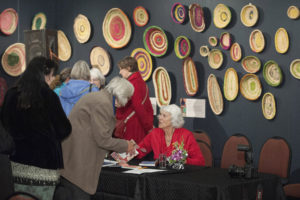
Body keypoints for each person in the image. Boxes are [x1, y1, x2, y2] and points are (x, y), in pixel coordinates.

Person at [0, 56, 72, 200]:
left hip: (17, 161)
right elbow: (64, 129)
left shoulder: (12, 94)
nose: (51, 80)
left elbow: (5, 125)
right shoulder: (49, 96)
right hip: (44, 164)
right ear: (44, 74)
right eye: (51, 75)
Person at [53, 77, 137, 200]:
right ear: (121, 95)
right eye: (128, 97)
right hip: (79, 166)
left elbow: (95, 134)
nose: (127, 101)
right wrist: (126, 145)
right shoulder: (103, 103)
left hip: (72, 162)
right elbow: (103, 139)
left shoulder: (98, 98)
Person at [136, 104, 205, 166]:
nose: (159, 117)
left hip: (179, 175)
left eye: (164, 116)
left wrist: (185, 161)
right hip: (158, 174)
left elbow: (200, 161)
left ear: (173, 119)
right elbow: (140, 150)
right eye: (160, 114)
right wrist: (128, 153)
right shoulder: (155, 133)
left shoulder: (186, 135)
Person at [117, 56, 153, 143]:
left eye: (122, 69)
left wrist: (148, 127)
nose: (120, 72)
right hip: (137, 124)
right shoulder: (140, 82)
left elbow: (138, 107)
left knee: (131, 152)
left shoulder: (133, 83)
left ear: (129, 68)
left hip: (132, 126)